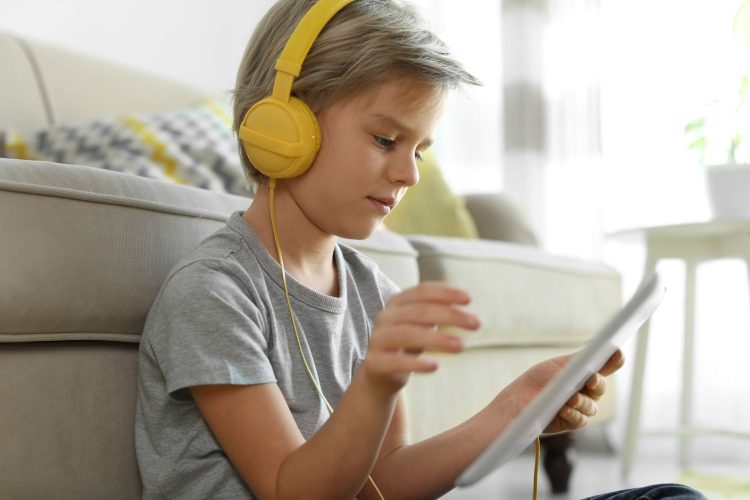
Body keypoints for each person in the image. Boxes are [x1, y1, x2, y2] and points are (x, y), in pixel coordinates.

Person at [134, 1, 705, 498]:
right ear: (284, 128)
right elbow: (291, 489)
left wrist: (518, 407)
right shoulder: (214, 292)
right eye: (386, 139)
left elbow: (386, 485)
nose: (408, 174)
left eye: (421, 150)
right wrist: (375, 385)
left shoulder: (370, 290)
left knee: (670, 496)